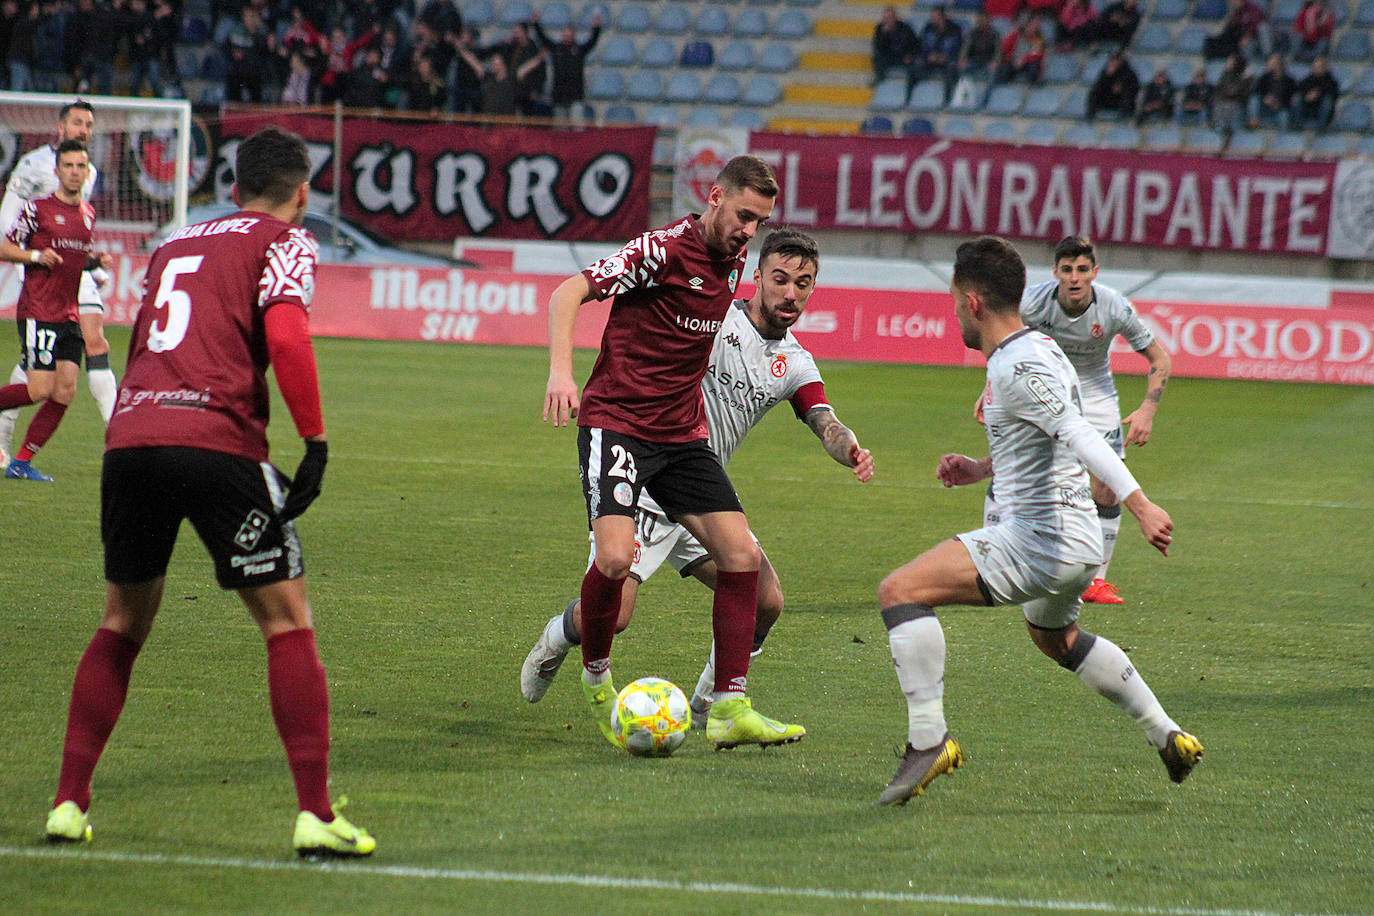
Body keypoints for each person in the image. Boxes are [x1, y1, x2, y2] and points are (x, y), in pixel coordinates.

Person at [41, 126, 375, 859]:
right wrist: (314, 441)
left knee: (121, 623)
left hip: (130, 439)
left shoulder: (174, 243)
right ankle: (315, 814)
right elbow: (286, 338)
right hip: (215, 440)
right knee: (288, 622)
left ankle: (68, 803)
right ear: (302, 193)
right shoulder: (284, 240)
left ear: (232, 187)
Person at [875, 235, 1202, 807]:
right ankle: (1166, 732)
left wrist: (1140, 504)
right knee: (1055, 638)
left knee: (899, 591)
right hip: (1075, 548)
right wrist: (980, 469)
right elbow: (1045, 440)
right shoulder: (1041, 349)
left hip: (1041, 538)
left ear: (973, 303)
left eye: (955, 303)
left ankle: (928, 740)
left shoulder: (1017, 366)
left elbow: (1078, 435)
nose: (954, 315)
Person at [521, 228, 874, 725]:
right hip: (644, 485)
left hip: (698, 498)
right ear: (758, 276)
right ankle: (558, 637)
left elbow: (824, 420)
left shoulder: (795, 363)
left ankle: (711, 701)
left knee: (766, 599)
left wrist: (849, 447)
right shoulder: (713, 319)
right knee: (614, 617)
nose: (790, 293)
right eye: (780, 279)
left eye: (803, 282)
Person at [541, 155, 806, 751]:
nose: (747, 230)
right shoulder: (660, 250)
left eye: (759, 222)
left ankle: (730, 705)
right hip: (618, 424)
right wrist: (562, 373)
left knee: (741, 557)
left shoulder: (736, 257)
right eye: (742, 215)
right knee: (612, 561)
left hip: (681, 435)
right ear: (714, 197)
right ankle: (596, 674)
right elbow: (568, 291)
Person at [993, 236, 1171, 605]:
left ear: (1095, 272)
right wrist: (989, 390)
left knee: (1105, 486)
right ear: (1056, 272)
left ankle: (1096, 582)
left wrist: (1147, 411)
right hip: (1042, 386)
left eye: (1082, 270)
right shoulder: (1033, 304)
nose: (1075, 277)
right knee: (1014, 464)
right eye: (1068, 269)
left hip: (1094, 394)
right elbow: (1002, 346)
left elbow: (1160, 358)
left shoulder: (1113, 307)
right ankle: (995, 556)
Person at [0, 100, 117, 470]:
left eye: (89, 125)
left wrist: (94, 265)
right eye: (77, 123)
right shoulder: (34, 175)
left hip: (71, 292)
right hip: (41, 294)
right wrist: (34, 258)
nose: (83, 129)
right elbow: (8, 233)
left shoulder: (88, 197)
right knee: (39, 387)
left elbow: (76, 243)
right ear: (61, 127)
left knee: (66, 386)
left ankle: (21, 461)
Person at [531, 9, 602, 121]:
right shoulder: (556, 49)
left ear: (573, 36)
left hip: (575, 97)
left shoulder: (579, 50)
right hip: (558, 97)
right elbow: (543, 38)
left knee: (577, 126)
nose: (567, 36)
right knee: (561, 130)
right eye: (565, 34)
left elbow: (592, 41)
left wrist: (597, 28)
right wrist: (536, 24)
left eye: (570, 34)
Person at [1085, 49, 1139, 121]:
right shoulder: (1105, 72)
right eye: (1111, 60)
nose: (1112, 62)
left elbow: (1133, 88)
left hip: (1121, 100)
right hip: (1108, 98)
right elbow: (1099, 86)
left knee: (1127, 93)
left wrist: (1121, 86)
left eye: (1115, 60)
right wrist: (1107, 76)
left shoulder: (1129, 73)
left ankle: (1124, 115)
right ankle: (1091, 114)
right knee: (1094, 91)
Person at [872, 6, 919, 86]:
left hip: (903, 57)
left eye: (891, 17)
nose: (889, 20)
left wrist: (911, 55)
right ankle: (879, 80)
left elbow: (915, 44)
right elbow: (878, 47)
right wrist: (883, 35)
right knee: (876, 58)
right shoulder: (880, 29)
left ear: (895, 17)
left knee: (915, 62)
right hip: (889, 57)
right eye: (886, 18)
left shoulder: (905, 28)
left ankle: (912, 84)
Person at [1248, 53, 1295, 130]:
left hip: (1279, 109)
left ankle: (1283, 136)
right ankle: (1254, 121)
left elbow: (1291, 98)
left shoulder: (1289, 81)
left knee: (1284, 115)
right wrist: (1265, 98)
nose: (1271, 65)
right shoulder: (1264, 78)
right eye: (1270, 63)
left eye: (1274, 63)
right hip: (1264, 107)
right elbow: (1256, 91)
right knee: (1254, 99)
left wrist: (1278, 104)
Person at [1293, 55, 1339, 130]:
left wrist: (1317, 96)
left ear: (1325, 68)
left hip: (1321, 109)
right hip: (1307, 108)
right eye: (1315, 67)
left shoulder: (1331, 82)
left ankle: (1321, 128)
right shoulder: (1306, 80)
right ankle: (1296, 126)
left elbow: (1333, 96)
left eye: (1319, 67)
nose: (1317, 69)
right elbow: (1300, 91)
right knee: (1297, 99)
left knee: (1327, 102)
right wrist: (1307, 97)